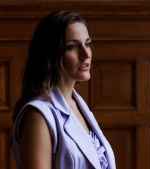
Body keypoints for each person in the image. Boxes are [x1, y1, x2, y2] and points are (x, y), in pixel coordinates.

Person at [12, 10, 116, 169]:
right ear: (50, 54)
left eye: (87, 44)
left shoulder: (78, 104)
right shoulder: (38, 115)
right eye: (72, 46)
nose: (85, 54)